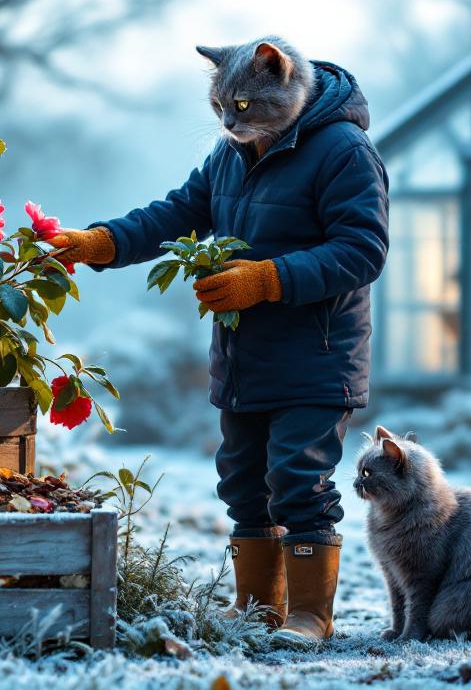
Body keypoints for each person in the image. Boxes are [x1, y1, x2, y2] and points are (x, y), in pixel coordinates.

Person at [50, 36, 388, 648]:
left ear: (282, 76)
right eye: (222, 108)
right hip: (242, 355)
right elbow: (177, 213)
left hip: (317, 355)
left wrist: (267, 279)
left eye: (244, 107)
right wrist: (103, 243)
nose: (231, 121)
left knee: (298, 479)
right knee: (242, 482)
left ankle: (311, 616)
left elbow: (362, 250)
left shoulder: (344, 150)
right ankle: (257, 607)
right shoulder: (231, 152)